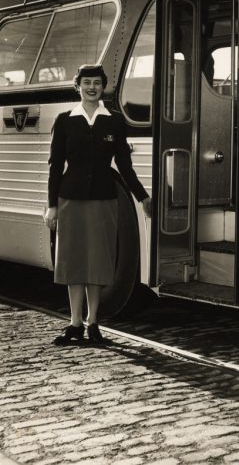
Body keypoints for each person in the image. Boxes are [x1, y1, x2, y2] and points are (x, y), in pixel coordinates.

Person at [44, 64, 152, 345]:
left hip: (105, 200)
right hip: (70, 200)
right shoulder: (65, 120)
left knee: (99, 262)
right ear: (77, 86)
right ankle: (74, 323)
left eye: (97, 83)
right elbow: (55, 167)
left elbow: (124, 166)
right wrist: (52, 206)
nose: (92, 87)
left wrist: (142, 196)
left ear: (103, 87)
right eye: (86, 82)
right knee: (73, 263)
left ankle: (94, 323)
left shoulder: (114, 121)